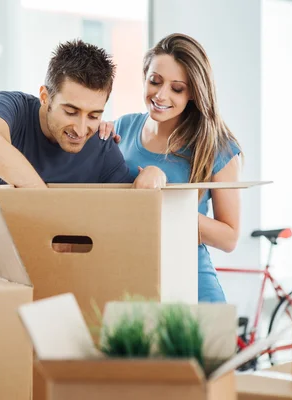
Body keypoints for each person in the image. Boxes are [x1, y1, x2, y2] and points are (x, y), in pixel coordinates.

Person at [0, 39, 166, 269]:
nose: (80, 128)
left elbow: (129, 214)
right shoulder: (11, 108)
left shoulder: (101, 146)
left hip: (41, 282)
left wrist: (155, 173)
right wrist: (50, 212)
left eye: (94, 115)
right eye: (70, 112)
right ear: (45, 97)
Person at [98, 33, 243, 303]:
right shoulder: (121, 129)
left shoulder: (215, 146)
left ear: (193, 93)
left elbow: (230, 237)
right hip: (129, 280)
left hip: (191, 281)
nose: (161, 95)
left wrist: (165, 203)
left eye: (177, 88)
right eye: (154, 81)